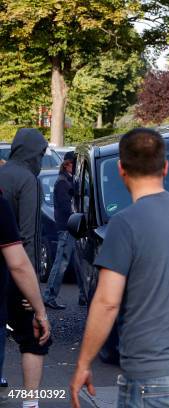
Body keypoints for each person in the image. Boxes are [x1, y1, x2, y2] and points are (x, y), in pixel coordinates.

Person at [69, 128, 169, 408]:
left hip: (153, 375)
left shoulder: (124, 224)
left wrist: (84, 363)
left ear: (121, 169)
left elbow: (107, 302)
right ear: (165, 167)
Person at [0, 128, 51, 408]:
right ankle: (31, 402)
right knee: (35, 337)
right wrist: (32, 291)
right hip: (17, 269)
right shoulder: (28, 180)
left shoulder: (3, 174)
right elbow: (29, 236)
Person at [43, 152, 85, 309]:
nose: (76, 167)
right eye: (74, 164)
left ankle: (83, 295)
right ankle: (49, 295)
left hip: (72, 227)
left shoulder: (67, 180)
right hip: (67, 228)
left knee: (79, 262)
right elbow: (67, 208)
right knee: (61, 262)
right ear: (67, 164)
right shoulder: (62, 182)